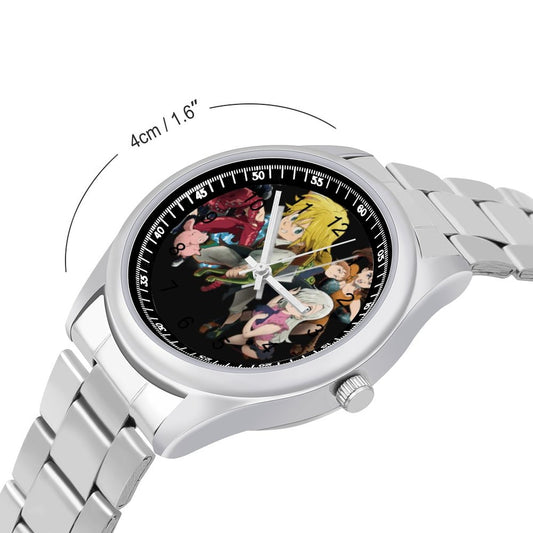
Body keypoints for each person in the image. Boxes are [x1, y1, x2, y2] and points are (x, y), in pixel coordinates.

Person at [225, 288, 334, 360]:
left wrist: (255, 318)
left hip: (257, 337)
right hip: (254, 326)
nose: (300, 304)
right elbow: (271, 304)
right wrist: (287, 294)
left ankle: (242, 346)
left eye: (307, 308)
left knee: (241, 339)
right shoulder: (277, 308)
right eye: (301, 299)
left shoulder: (276, 325)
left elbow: (247, 333)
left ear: (300, 316)